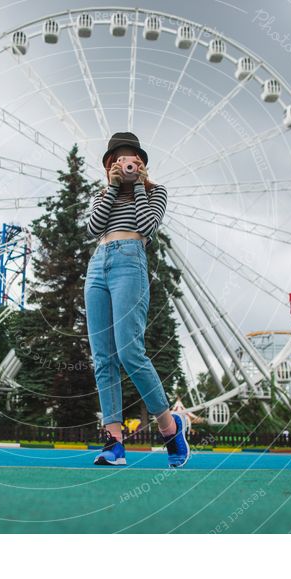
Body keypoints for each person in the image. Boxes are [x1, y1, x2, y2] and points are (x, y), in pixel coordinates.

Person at [84, 131, 190, 468]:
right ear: (109, 166)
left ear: (141, 164)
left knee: (130, 350)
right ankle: (114, 442)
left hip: (130, 258)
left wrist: (141, 186)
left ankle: (169, 427)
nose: (126, 164)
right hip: (98, 264)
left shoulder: (156, 193)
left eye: (132, 159)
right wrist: (114, 188)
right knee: (103, 356)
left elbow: (147, 225)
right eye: (118, 159)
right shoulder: (103, 195)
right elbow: (92, 227)